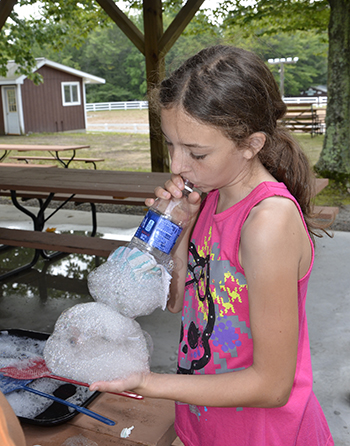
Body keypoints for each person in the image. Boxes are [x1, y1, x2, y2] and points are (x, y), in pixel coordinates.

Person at [90, 45, 334, 445]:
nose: (176, 166)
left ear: (251, 144)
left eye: (197, 152)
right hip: (207, 424)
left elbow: (272, 386)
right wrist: (177, 235)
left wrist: (150, 383)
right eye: (171, 144)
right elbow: (180, 305)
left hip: (262, 434)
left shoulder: (267, 223)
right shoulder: (210, 194)